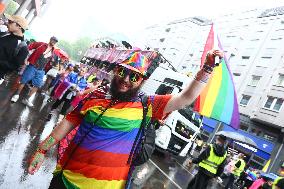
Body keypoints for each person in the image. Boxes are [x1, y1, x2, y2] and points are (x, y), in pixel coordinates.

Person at [28, 50, 224, 189]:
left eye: (134, 76)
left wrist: (206, 69)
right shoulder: (94, 96)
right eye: (123, 72)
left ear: (142, 81)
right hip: (67, 180)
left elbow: (186, 97)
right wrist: (41, 149)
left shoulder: (148, 105)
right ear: (116, 71)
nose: (126, 79)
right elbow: (68, 121)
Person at [11, 36, 59, 106]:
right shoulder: (41, 44)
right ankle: (16, 95)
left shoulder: (54, 52)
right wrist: (26, 58)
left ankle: (26, 99)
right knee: (23, 80)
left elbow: (54, 64)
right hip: (33, 66)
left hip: (41, 70)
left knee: (37, 85)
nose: (54, 42)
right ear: (50, 39)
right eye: (53, 40)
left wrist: (52, 64)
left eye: (55, 41)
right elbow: (29, 47)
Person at [0, 14, 29, 85]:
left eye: (10, 22)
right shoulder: (5, 34)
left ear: (19, 26)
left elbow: (14, 66)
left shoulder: (23, 47)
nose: (7, 23)